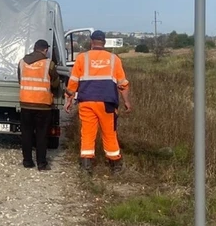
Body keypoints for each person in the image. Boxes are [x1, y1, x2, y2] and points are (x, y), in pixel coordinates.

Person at [64, 30, 131, 174]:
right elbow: (123, 83)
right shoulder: (114, 59)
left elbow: (73, 82)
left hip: (86, 101)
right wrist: (126, 102)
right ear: (104, 42)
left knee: (87, 133)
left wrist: (68, 99)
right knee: (109, 133)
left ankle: (86, 166)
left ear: (91, 42)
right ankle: (116, 165)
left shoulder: (82, 58)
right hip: (107, 102)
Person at [17, 39, 61, 171]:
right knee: (41, 135)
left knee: (26, 133)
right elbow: (55, 83)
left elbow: (20, 80)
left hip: (26, 103)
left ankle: (27, 161)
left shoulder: (22, 62)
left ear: (34, 48)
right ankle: (41, 164)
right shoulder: (49, 64)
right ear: (45, 50)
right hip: (42, 104)